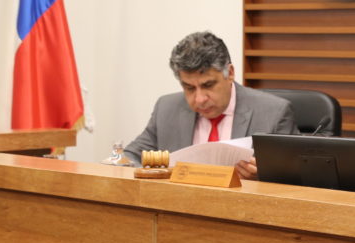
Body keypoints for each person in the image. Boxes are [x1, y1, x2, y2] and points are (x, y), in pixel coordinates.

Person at [124, 31, 296, 178]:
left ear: (230, 73)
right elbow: (129, 157)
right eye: (189, 88)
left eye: (208, 85)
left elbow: (294, 179)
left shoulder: (274, 113)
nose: (200, 99)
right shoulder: (166, 108)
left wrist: (262, 178)